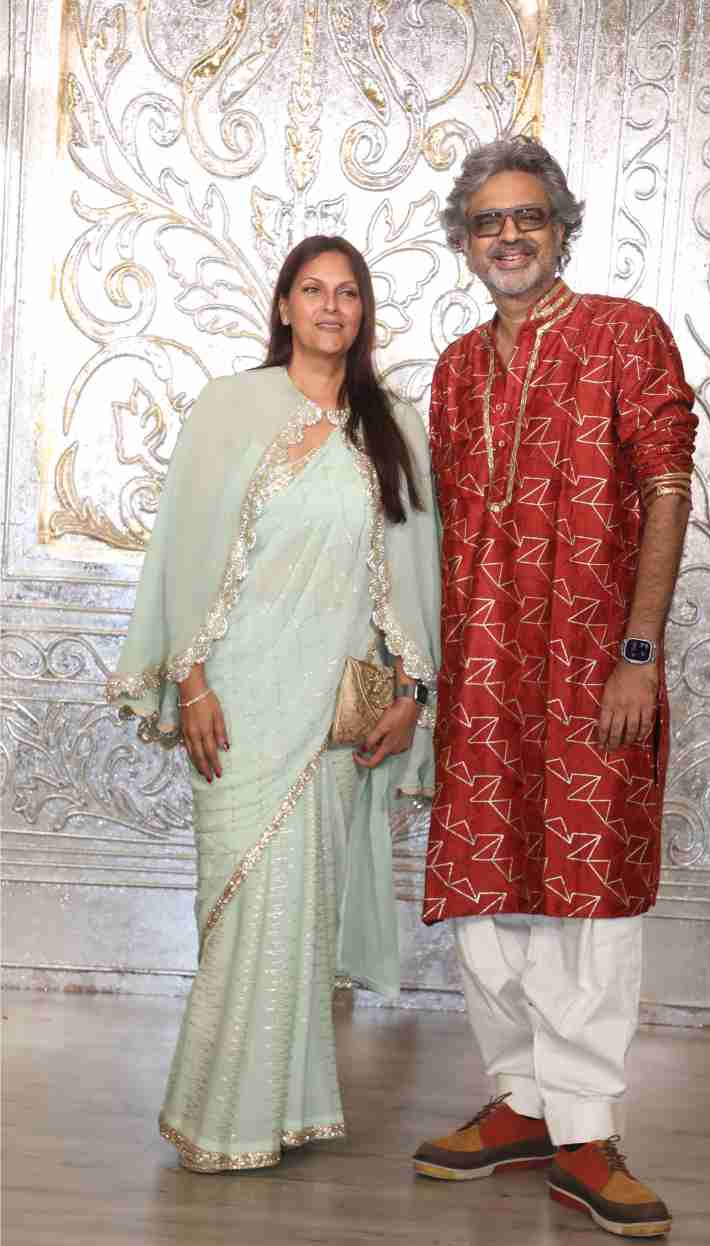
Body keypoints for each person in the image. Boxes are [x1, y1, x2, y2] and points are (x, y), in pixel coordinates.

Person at [412, 138, 697, 1238]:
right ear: (463, 242)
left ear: (561, 228)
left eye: (527, 216)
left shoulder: (625, 334)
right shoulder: (454, 370)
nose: (508, 236)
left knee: (588, 896)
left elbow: (666, 488)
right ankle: (521, 1103)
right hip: (482, 672)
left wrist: (639, 650)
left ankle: (583, 1127)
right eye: (487, 221)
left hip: (591, 668)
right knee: (485, 890)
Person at [108, 236, 439, 1172]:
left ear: (363, 312)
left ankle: (286, 1108)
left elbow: (415, 574)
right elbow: (183, 552)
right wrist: (192, 681)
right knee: (242, 900)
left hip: (333, 707)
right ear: (285, 305)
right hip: (239, 698)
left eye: (348, 292)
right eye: (313, 290)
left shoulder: (392, 427)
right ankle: (218, 1116)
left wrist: (411, 692)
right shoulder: (230, 409)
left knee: (303, 911)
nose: (331, 306)